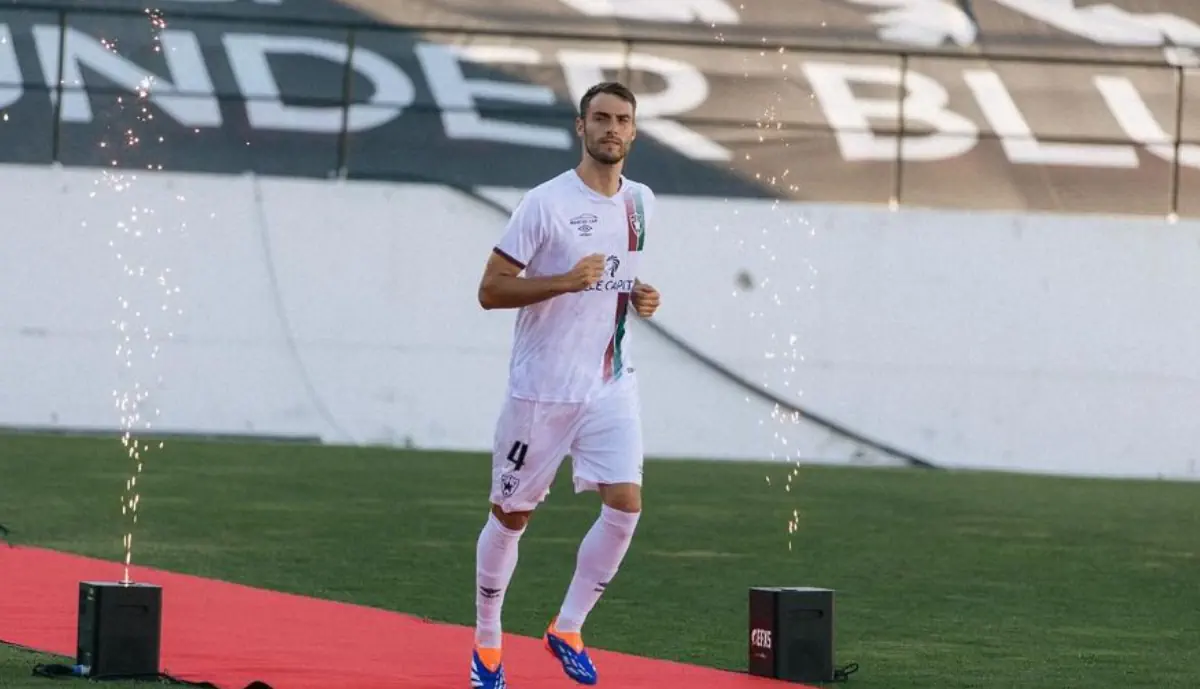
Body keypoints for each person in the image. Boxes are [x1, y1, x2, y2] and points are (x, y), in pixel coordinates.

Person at [470, 80, 661, 688]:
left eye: (622, 119)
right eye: (600, 118)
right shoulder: (544, 204)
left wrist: (639, 294)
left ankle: (568, 627)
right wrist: (560, 282)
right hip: (541, 390)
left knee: (626, 506)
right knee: (510, 515)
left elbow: (613, 281)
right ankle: (488, 642)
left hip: (609, 382)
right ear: (581, 127)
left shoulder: (642, 202)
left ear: (633, 131)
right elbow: (491, 290)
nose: (611, 128)